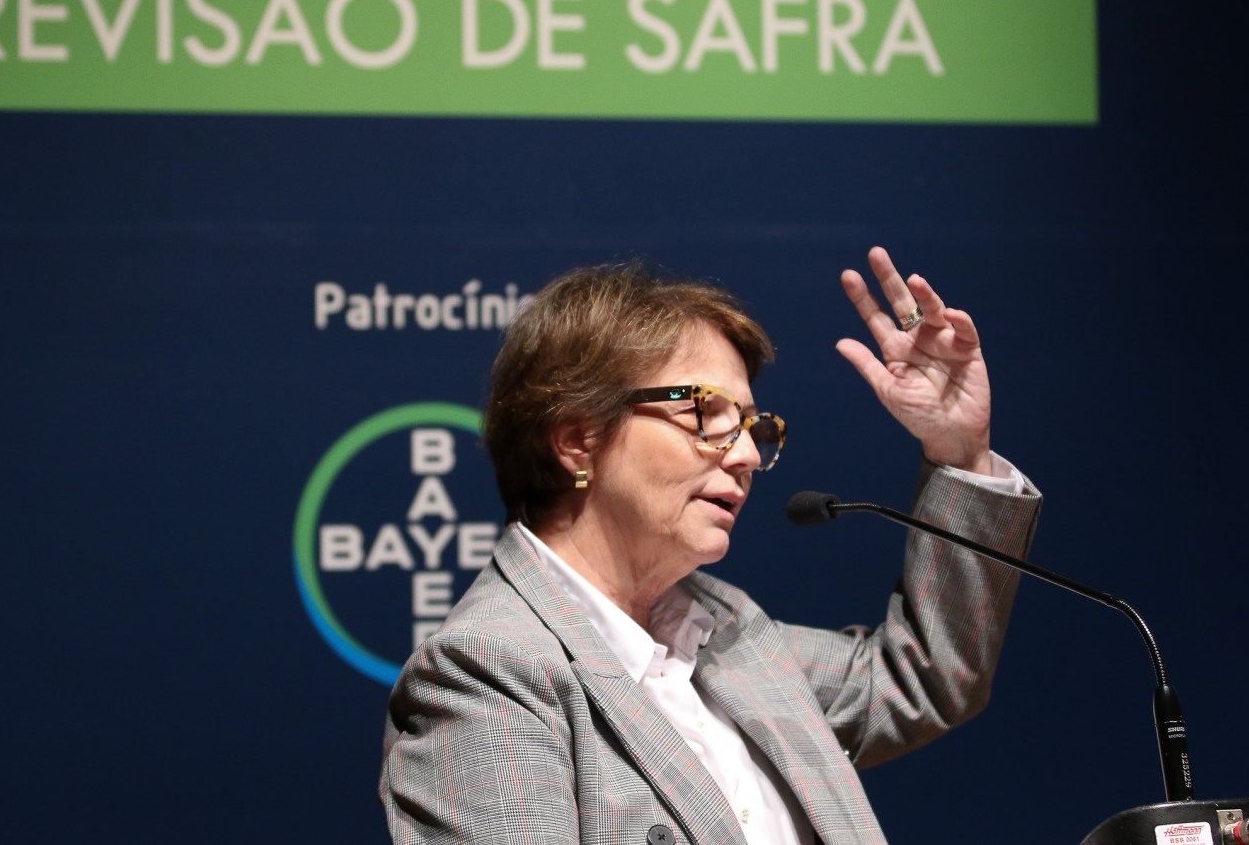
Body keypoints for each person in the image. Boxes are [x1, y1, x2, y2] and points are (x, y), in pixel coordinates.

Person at [380, 248, 1041, 845]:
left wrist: (958, 450)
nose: (749, 454)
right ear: (577, 439)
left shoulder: (726, 630)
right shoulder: (487, 671)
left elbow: (926, 674)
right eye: (707, 413)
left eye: (752, 425)